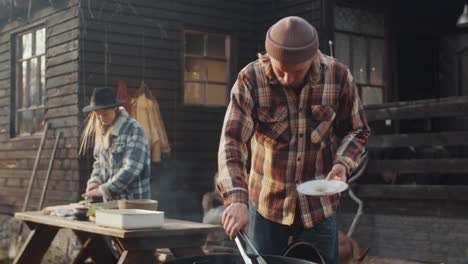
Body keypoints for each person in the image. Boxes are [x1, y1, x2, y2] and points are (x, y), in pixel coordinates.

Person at [217, 16, 370, 263]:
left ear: (314, 58)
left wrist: (343, 164)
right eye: (280, 71)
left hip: (319, 207)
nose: (288, 79)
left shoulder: (338, 76)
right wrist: (236, 199)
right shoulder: (250, 79)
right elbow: (232, 142)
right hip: (267, 203)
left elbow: (358, 130)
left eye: (297, 71)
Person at [80, 87, 151, 201]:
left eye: (105, 114)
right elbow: (99, 162)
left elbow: (133, 167)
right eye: (98, 115)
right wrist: (95, 181)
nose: (102, 119)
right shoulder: (103, 131)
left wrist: (104, 189)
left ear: (116, 108)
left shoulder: (133, 129)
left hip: (134, 203)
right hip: (111, 204)